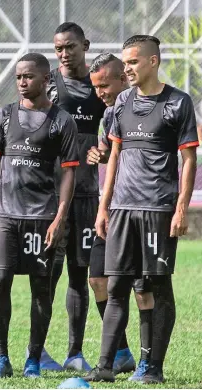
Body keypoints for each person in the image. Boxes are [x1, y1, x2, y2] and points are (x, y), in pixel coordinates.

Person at [84, 35, 198, 384]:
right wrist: (104, 208)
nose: (128, 69)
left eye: (133, 62)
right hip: (121, 209)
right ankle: (105, 367)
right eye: (125, 62)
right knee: (117, 286)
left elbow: (189, 159)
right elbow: (114, 157)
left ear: (152, 61)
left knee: (157, 286)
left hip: (157, 208)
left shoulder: (178, 103)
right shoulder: (120, 105)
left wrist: (181, 208)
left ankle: (154, 368)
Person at [0, 53, 79, 379]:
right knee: (1, 280)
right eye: (19, 77)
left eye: (29, 77)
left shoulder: (62, 121)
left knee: (41, 287)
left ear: (46, 79)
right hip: (6, 216)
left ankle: (33, 360)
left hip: (42, 217)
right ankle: (1, 360)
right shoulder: (4, 117)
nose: (22, 82)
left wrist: (60, 217)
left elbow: (68, 174)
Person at [42, 22, 108, 372]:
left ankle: (74, 352)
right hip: (50, 196)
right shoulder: (47, 82)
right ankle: (37, 351)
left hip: (86, 193)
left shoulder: (100, 86)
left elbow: (113, 132)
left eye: (70, 47)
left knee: (79, 274)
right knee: (46, 274)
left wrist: (104, 149)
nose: (64, 54)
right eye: (58, 49)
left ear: (85, 44)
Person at [86, 53, 154, 380]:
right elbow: (109, 153)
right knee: (98, 279)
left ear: (123, 79)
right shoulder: (109, 115)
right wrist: (98, 153)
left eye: (104, 84)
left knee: (141, 288)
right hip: (112, 209)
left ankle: (146, 362)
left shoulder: (150, 108)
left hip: (143, 210)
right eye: (95, 86)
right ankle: (121, 353)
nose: (100, 92)